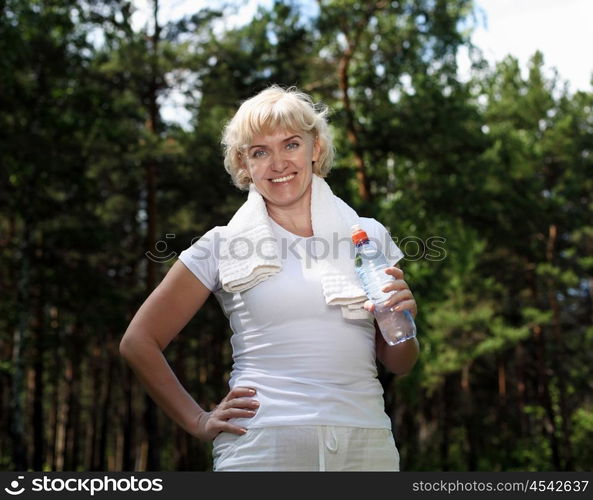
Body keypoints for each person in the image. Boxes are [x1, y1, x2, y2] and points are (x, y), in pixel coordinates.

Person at [119, 85, 419, 471]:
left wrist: (402, 321)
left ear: (317, 149)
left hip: (365, 442)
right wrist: (197, 420)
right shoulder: (221, 245)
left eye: (291, 144)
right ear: (244, 165)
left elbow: (401, 363)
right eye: (260, 152)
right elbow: (137, 342)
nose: (278, 163)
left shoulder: (368, 238)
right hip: (263, 445)